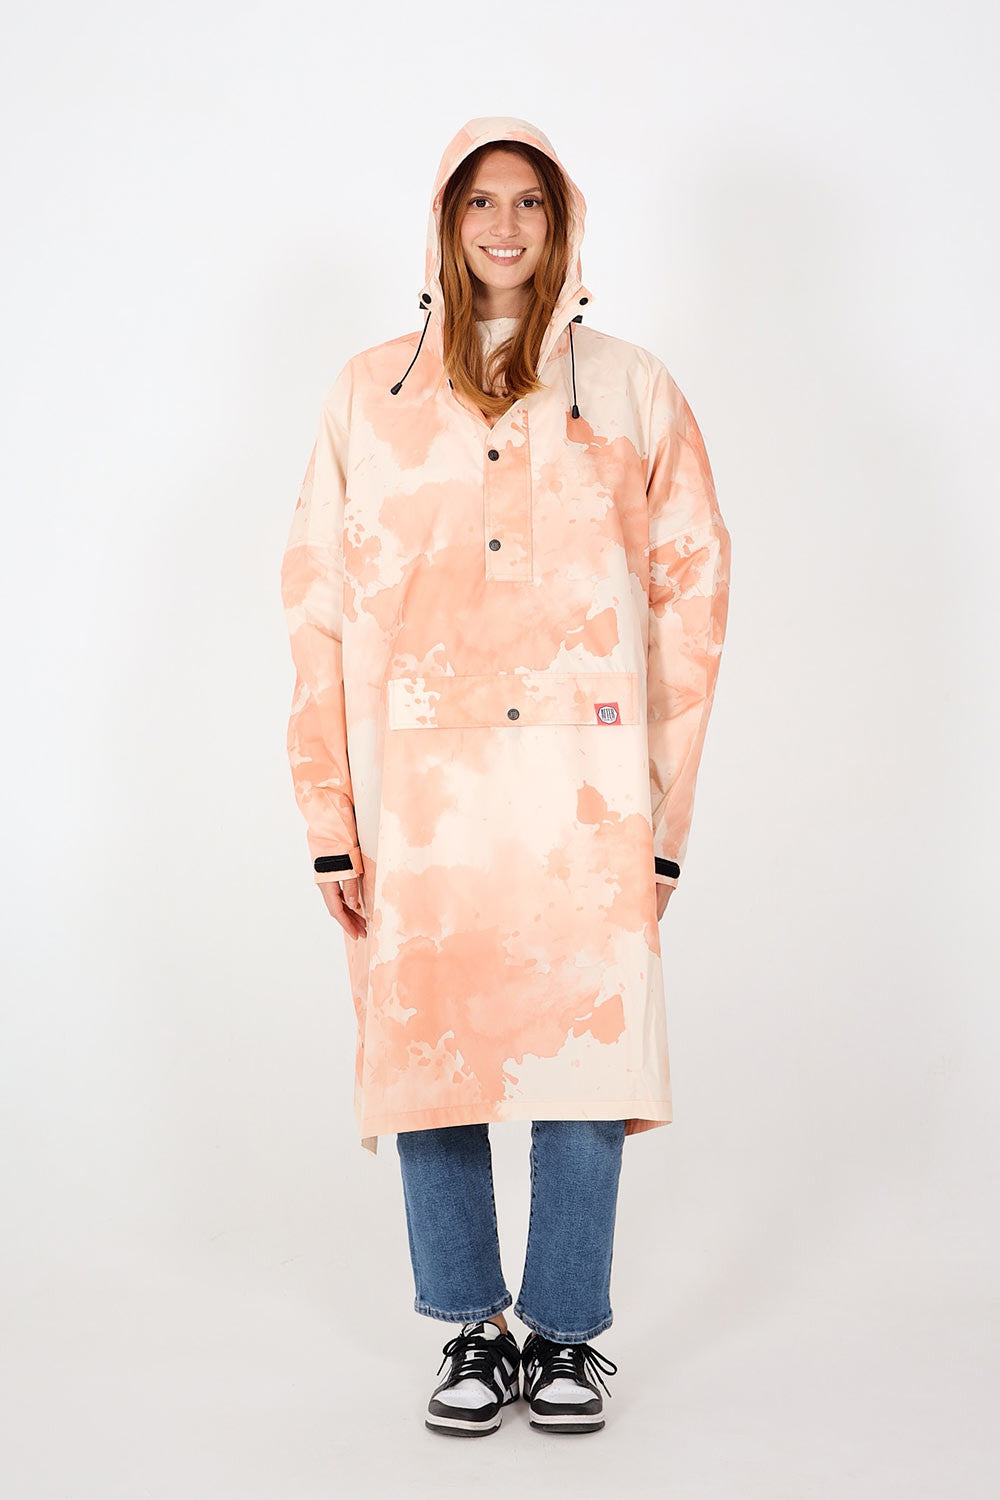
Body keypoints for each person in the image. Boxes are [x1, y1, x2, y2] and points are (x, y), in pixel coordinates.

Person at [280, 116, 732, 1436]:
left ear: (561, 220)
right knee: (432, 1051)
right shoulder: (370, 395)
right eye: (481, 200)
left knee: (587, 1055)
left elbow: (694, 601)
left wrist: (663, 818)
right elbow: (314, 608)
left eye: (529, 201)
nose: (504, 225)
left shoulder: (631, 390)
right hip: (419, 792)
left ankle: (568, 1330)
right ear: (445, 219)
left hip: (589, 791)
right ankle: (472, 1327)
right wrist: (330, 814)